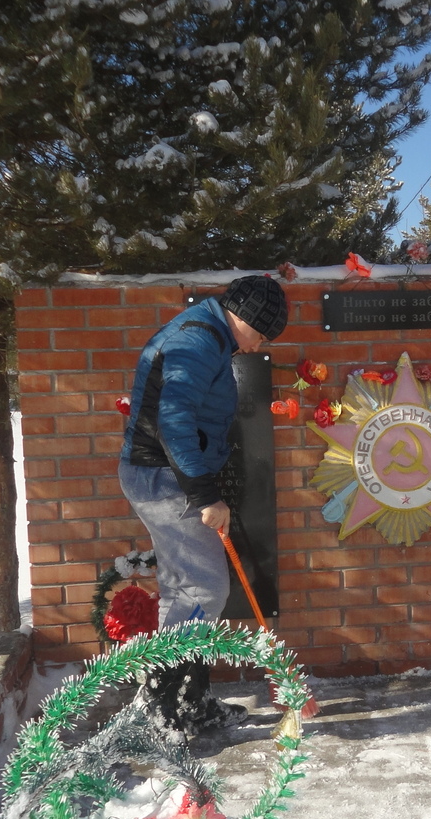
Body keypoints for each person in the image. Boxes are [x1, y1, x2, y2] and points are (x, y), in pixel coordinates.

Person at [119, 274, 288, 737]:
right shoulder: (198, 339)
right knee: (204, 590)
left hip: (163, 476)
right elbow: (173, 421)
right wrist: (204, 495)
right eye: (262, 335)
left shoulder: (208, 333)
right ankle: (160, 712)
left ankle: (188, 705)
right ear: (246, 319)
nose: (258, 347)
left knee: (184, 591)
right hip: (166, 479)